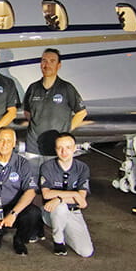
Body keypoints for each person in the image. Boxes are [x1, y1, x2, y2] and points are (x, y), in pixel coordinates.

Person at [23, 48, 87, 176]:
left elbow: (81, 112)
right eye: (44, 61)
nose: (47, 65)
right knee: (31, 186)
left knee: (52, 185)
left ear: (59, 65)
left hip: (56, 149)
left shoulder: (66, 88)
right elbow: (27, 112)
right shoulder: (33, 88)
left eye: (52, 61)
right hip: (33, 148)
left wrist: (66, 132)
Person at [40, 133, 94, 257]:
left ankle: (66, 232)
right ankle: (58, 241)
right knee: (60, 208)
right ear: (55, 149)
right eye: (60, 148)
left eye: (68, 147)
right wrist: (74, 195)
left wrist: (59, 198)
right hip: (51, 211)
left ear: (75, 148)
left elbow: (82, 201)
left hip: (73, 212)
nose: (64, 152)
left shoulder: (82, 168)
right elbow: (47, 194)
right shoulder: (47, 167)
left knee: (86, 252)